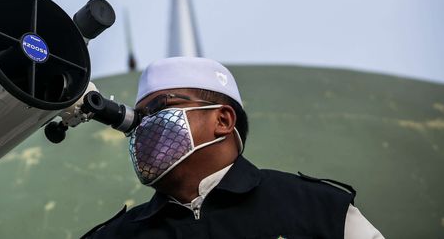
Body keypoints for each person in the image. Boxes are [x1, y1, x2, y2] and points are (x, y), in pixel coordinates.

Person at [81, 56, 384, 238]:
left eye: (162, 107)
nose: (144, 125)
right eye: (141, 116)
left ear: (223, 119)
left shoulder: (319, 210)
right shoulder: (115, 236)